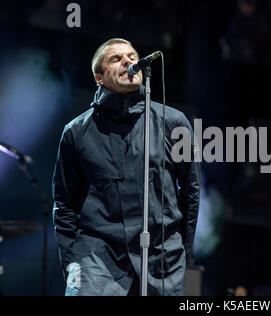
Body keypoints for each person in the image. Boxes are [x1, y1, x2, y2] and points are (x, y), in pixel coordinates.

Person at [52, 38, 200, 296]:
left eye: (132, 56)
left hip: (162, 256)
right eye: (116, 59)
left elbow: (190, 190)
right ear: (99, 78)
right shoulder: (77, 132)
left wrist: (183, 251)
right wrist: (72, 263)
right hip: (98, 258)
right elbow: (64, 202)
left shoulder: (173, 122)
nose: (128, 61)